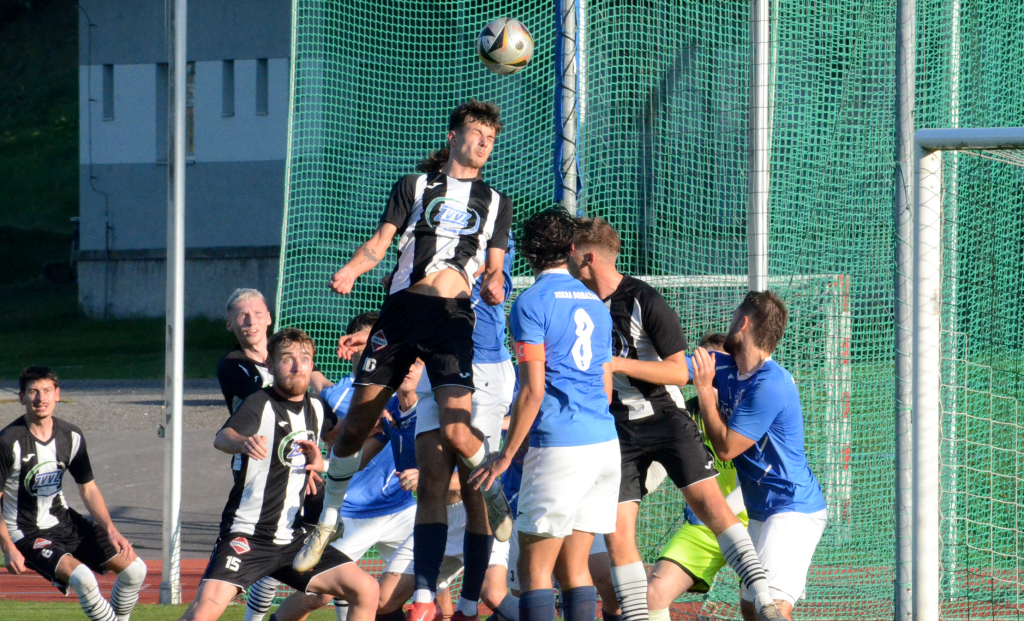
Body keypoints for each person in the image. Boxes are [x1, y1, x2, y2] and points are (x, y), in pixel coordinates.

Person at [296, 101, 515, 604]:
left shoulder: (496, 202)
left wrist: (496, 283)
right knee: (355, 426)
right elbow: (379, 244)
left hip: (453, 320)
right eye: (477, 133)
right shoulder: (414, 186)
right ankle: (327, 521)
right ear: (454, 136)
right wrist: (352, 270)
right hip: (400, 315)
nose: (485, 142)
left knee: (458, 431)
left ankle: (494, 493)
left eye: (491, 137)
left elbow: (495, 268)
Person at [569, 218, 782, 621]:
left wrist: (616, 363)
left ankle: (763, 598)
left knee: (712, 508)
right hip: (617, 430)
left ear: (589, 256)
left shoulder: (644, 299)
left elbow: (679, 370)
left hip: (665, 418)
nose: (568, 258)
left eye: (573, 250)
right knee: (617, 533)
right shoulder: (577, 301)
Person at [471, 208, 619, 621]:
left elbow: (533, 390)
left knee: (535, 571)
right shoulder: (596, 303)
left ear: (527, 254)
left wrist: (506, 454)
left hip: (560, 445)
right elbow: (606, 387)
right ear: (571, 250)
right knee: (575, 569)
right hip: (604, 444)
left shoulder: (530, 302)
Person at [179, 328, 378, 621]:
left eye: (304, 359)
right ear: (271, 366)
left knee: (366, 590)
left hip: (294, 538)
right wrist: (242, 443)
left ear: (312, 365)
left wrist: (382, 420)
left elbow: (343, 433)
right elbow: (223, 437)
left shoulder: (316, 406)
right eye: (287, 359)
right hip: (248, 535)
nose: (298, 366)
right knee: (202, 613)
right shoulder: (260, 403)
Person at [690, 292, 828, 621]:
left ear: (743, 323)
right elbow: (671, 368)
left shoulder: (771, 383)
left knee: (772, 609)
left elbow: (726, 449)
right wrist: (613, 363)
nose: (728, 322)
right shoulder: (728, 369)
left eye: (733, 316)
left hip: (792, 508)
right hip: (762, 511)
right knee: (751, 607)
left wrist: (706, 393)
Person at [0, 366, 147, 621]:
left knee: (136, 571)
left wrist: (111, 530)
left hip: (65, 522)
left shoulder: (71, 435)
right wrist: (7, 546)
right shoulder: (8, 441)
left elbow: (88, 488)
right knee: (84, 579)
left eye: (47, 390)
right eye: (33, 391)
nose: (41, 398)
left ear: (57, 394)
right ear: (22, 397)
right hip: (25, 532)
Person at [646, 333, 750, 617]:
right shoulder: (686, 414)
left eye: (711, 366)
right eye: (697, 365)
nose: (700, 374)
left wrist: (716, 509)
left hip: (755, 523)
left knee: (757, 604)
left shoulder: (750, 411)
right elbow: (659, 465)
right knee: (653, 594)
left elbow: (758, 480)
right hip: (705, 527)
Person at [217, 288, 275, 414]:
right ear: (229, 324)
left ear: (268, 318)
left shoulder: (288, 355)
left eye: (258, 313)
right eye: (242, 316)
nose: (251, 322)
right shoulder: (230, 365)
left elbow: (318, 384)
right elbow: (262, 402)